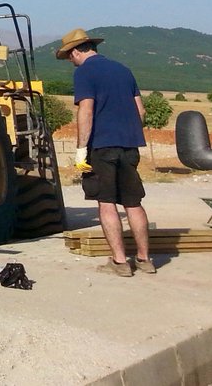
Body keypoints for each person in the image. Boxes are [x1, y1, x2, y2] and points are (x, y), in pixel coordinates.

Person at [58, 27, 155, 277]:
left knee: (107, 203)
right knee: (133, 203)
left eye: (69, 56)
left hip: (102, 147)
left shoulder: (85, 73)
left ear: (77, 51)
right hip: (130, 146)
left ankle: (120, 262)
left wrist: (81, 150)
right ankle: (145, 259)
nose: (70, 61)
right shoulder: (124, 70)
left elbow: (86, 111)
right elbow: (140, 111)